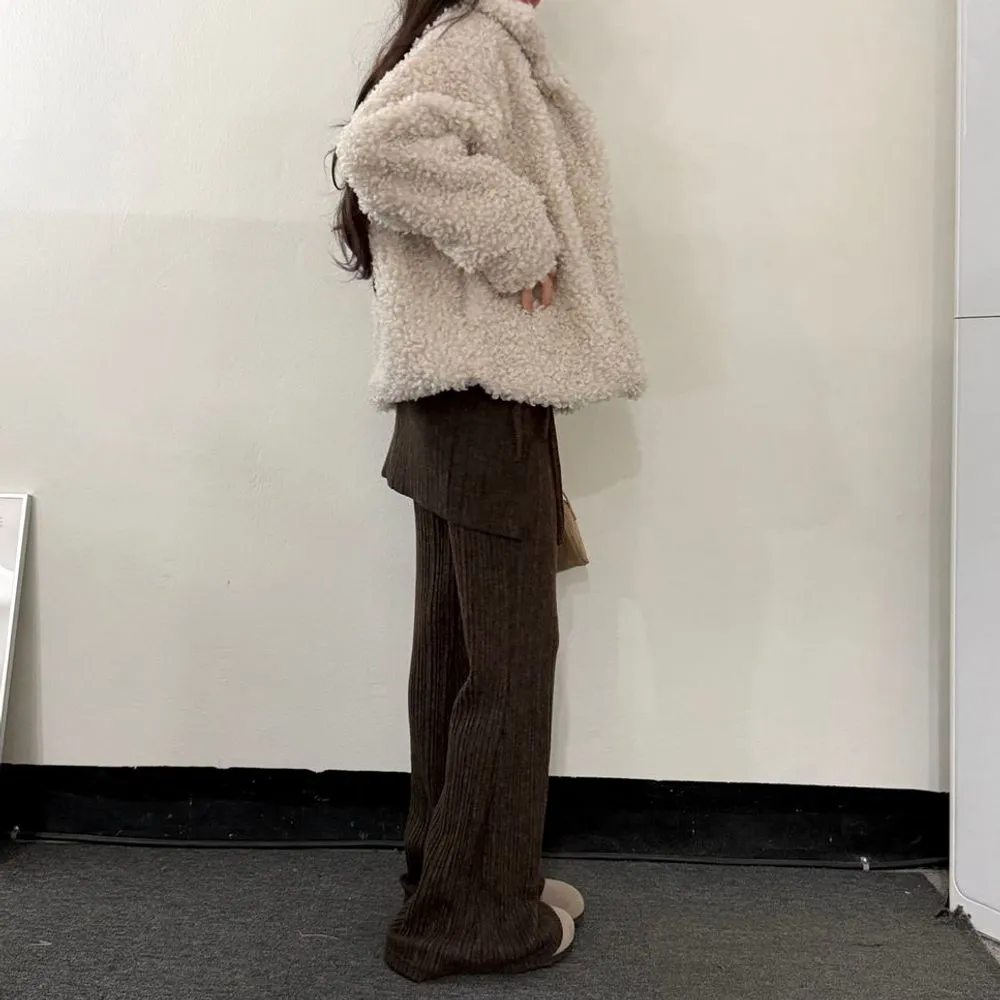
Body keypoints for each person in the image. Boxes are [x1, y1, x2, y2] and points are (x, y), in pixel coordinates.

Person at [332, 0, 644, 982]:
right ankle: (470, 920)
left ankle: (458, 877)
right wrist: (518, 235)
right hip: (483, 398)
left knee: (460, 653)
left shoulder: (459, 39)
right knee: (505, 663)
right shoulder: (477, 40)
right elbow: (376, 151)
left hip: (457, 401)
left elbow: (379, 147)